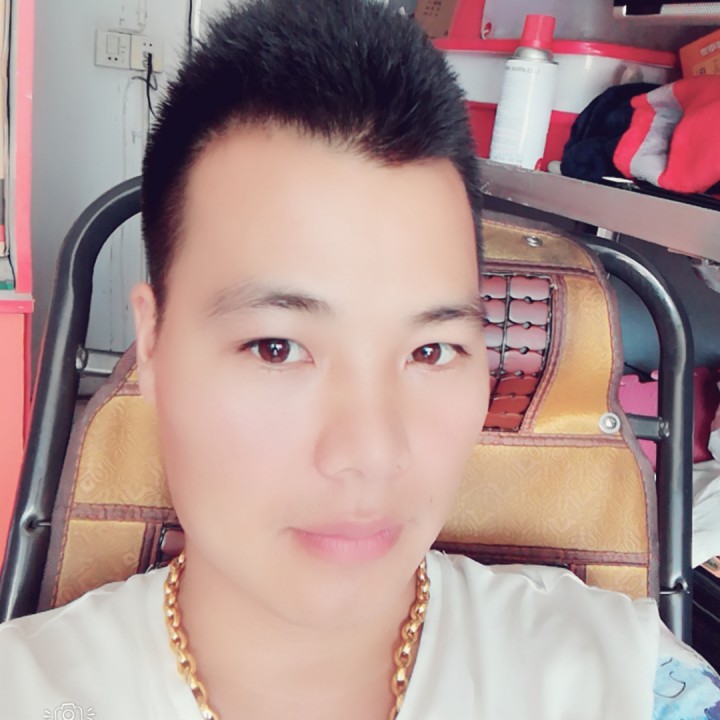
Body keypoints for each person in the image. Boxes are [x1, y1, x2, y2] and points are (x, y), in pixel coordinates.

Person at [1, 1, 719, 718]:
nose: (371, 454)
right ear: (153, 348)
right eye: (278, 348)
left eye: (431, 351)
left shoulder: (617, 679)